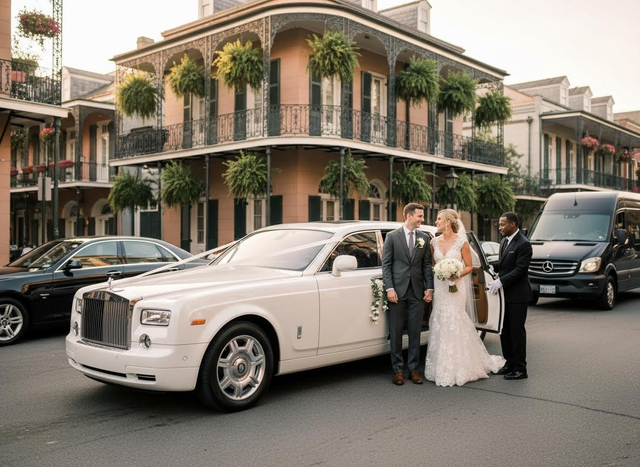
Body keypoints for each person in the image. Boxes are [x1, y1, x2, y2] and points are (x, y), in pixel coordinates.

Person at [424, 209, 505, 387]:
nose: (436, 221)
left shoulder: (461, 243)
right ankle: (441, 366)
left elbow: (469, 266)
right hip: (441, 287)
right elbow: (432, 265)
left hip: (456, 286)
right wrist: (440, 272)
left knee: (455, 319)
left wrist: (456, 274)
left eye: (438, 219)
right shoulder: (433, 242)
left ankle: (461, 366)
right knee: (440, 319)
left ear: (448, 222)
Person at [382, 203, 434, 386]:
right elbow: (386, 265)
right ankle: (397, 370)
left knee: (415, 331)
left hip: (417, 291)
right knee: (395, 331)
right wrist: (389, 288)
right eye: (420, 216)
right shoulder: (392, 237)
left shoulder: (424, 237)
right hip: (397, 291)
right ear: (409, 216)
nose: (422, 219)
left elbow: (426, 265)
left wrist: (430, 288)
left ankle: (413, 369)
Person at [489, 212, 533, 380]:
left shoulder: (524, 244)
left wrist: (501, 281)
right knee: (504, 331)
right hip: (504, 296)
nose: (499, 227)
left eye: (502, 224)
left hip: (518, 296)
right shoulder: (503, 242)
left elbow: (520, 269)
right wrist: (489, 267)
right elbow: (503, 265)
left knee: (516, 332)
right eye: (499, 224)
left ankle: (520, 369)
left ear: (513, 224)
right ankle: (509, 364)